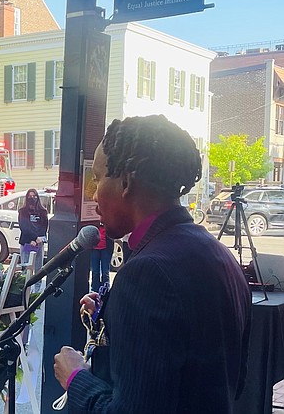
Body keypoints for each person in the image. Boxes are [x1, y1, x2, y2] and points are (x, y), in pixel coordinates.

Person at [54, 115, 252, 413]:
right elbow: (224, 377)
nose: (94, 195)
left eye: (97, 178)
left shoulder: (147, 273)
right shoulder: (219, 254)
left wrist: (75, 377)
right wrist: (114, 315)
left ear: (125, 183)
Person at [17, 188, 48, 292]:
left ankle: (37, 291)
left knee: (39, 268)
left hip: (39, 243)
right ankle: (25, 290)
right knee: (25, 267)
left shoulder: (43, 212)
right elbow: (24, 226)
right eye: (30, 196)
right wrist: (33, 238)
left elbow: (44, 227)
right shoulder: (23, 211)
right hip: (27, 242)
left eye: (34, 196)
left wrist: (39, 239)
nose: (32, 198)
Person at [89, 224, 113, 293]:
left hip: (106, 249)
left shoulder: (107, 221)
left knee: (105, 270)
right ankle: (95, 289)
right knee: (95, 271)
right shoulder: (93, 223)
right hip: (94, 248)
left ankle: (105, 289)